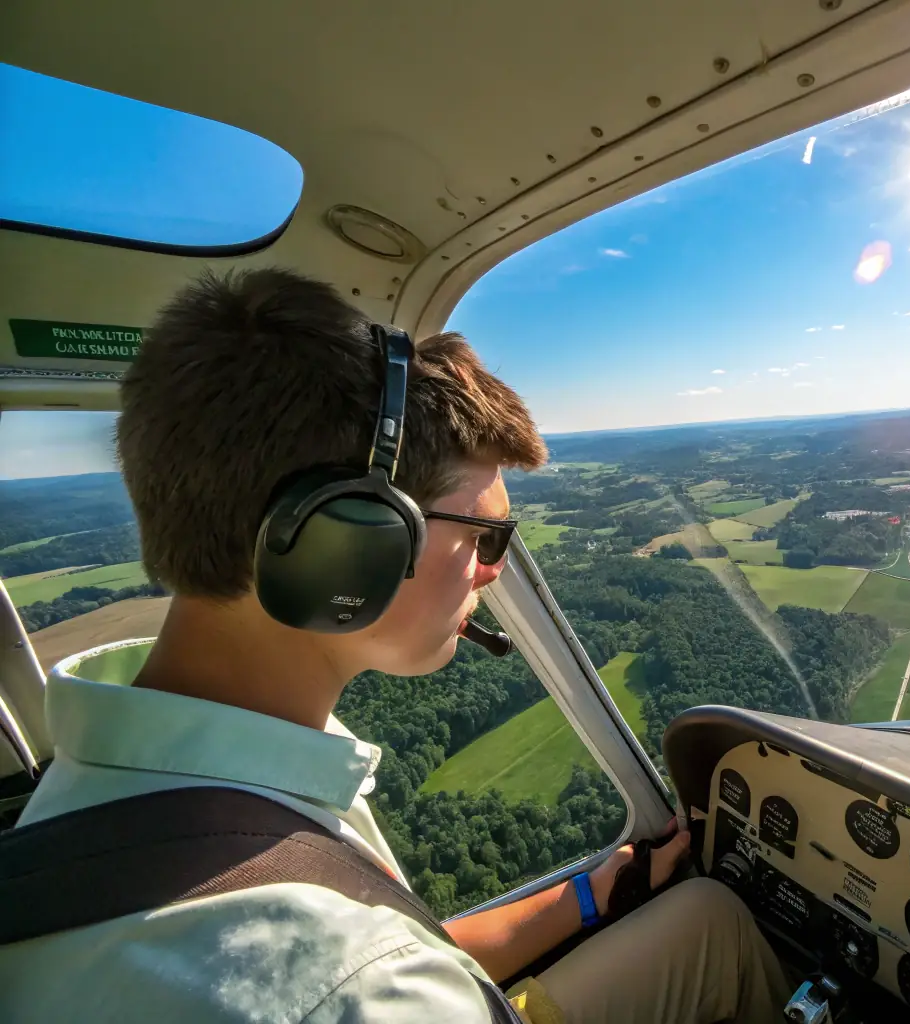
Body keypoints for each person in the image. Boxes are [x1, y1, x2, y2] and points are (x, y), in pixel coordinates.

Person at [0, 268, 790, 1023]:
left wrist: (586, 894)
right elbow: (374, 972)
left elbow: (405, 944)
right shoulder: (357, 990)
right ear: (345, 542)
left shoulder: (94, 779)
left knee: (704, 919)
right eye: (485, 537)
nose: (492, 571)